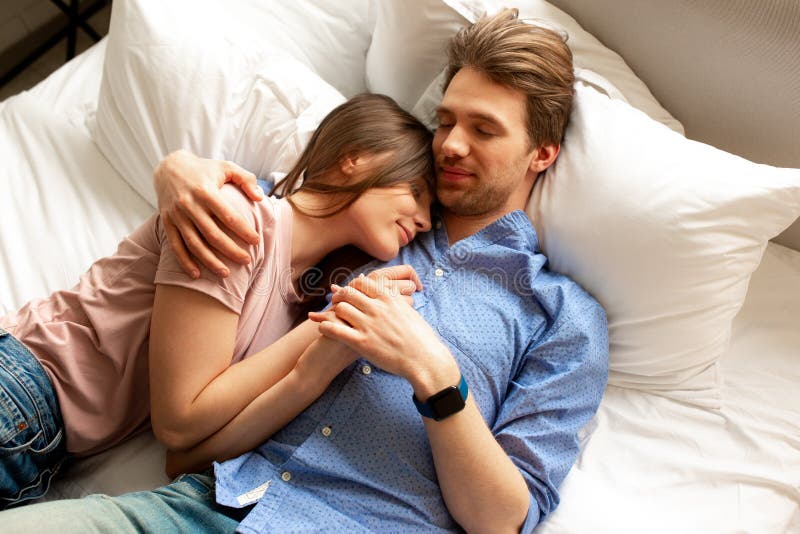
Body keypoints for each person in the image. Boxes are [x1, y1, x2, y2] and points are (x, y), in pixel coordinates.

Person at [1, 8, 608, 532]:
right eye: (446, 120)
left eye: (484, 129)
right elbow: (267, 210)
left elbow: (502, 520)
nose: (449, 144)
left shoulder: (561, 318)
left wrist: (435, 375)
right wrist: (177, 169)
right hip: (202, 507)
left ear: (542, 153)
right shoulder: (364, 230)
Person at [0, 93, 434, 509]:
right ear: (355, 158)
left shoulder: (293, 306)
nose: (424, 219)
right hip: (24, 384)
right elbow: (178, 421)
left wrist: (314, 361)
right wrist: (322, 329)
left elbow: (183, 459)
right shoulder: (236, 218)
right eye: (415, 191)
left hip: (43, 451)